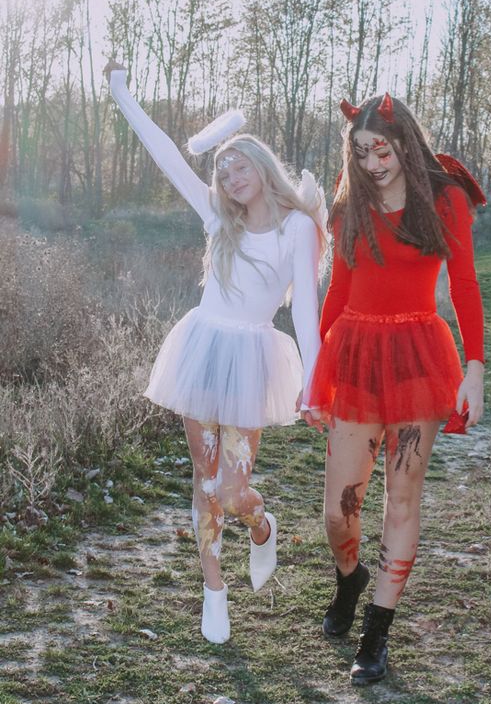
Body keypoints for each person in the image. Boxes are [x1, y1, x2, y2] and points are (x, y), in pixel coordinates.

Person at [104, 62, 325, 645]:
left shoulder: (297, 229)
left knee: (231, 489)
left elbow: (305, 312)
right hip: (202, 351)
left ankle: (260, 523)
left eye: (238, 164)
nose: (228, 176)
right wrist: (121, 91)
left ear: (261, 165)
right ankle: (213, 589)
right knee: (204, 483)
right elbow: (165, 155)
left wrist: (315, 380)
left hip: (252, 360)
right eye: (222, 170)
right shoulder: (216, 222)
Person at [307, 91, 485, 685]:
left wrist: (476, 367)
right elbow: (337, 290)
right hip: (355, 356)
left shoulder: (445, 199)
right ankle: (349, 579)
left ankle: (376, 635)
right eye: (360, 153)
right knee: (339, 513)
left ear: (405, 142)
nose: (372, 163)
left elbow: (463, 285)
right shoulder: (347, 205)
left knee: (401, 499)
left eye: (380, 150)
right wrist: (318, 374)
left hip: (417, 357)